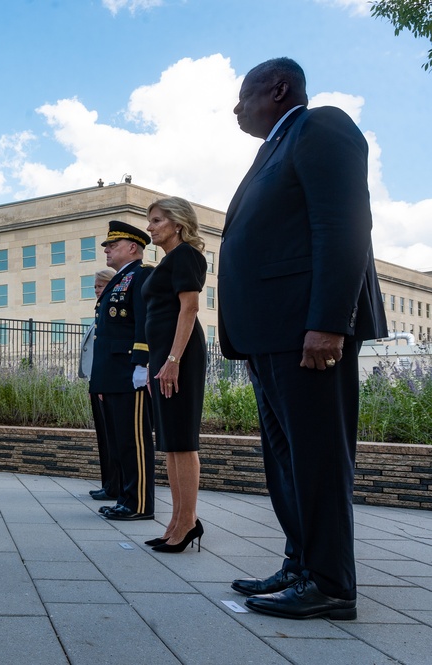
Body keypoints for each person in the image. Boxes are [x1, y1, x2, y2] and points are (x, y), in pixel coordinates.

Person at [220, 58, 387, 620]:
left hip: (306, 331)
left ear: (278, 88)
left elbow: (343, 225)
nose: (236, 109)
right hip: (271, 334)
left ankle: (332, 584)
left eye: (243, 97)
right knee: (286, 459)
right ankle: (301, 562)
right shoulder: (273, 148)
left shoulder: (322, 127)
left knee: (316, 457)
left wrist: (329, 321)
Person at [142, 197, 207, 553]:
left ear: (177, 223)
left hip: (181, 357)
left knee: (182, 439)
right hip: (164, 358)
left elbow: (190, 308)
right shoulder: (166, 262)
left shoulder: (187, 257)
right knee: (169, 442)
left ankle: (188, 522)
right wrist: (157, 362)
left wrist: (173, 360)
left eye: (155, 220)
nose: (149, 227)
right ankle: (176, 520)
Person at [89, 221, 155, 521]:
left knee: (133, 441)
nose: (106, 249)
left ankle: (139, 503)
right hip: (113, 373)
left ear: (132, 248)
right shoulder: (119, 280)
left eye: (112, 245)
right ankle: (127, 499)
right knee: (120, 441)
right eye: (106, 245)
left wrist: (142, 364)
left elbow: (144, 323)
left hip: (129, 371)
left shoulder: (141, 275)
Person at [80, 269, 120, 503]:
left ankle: (114, 486)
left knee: (112, 438)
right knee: (104, 439)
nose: (96, 290)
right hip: (98, 382)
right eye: (94, 287)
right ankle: (108, 484)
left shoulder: (110, 311)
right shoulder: (99, 311)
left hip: (108, 382)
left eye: (100, 286)